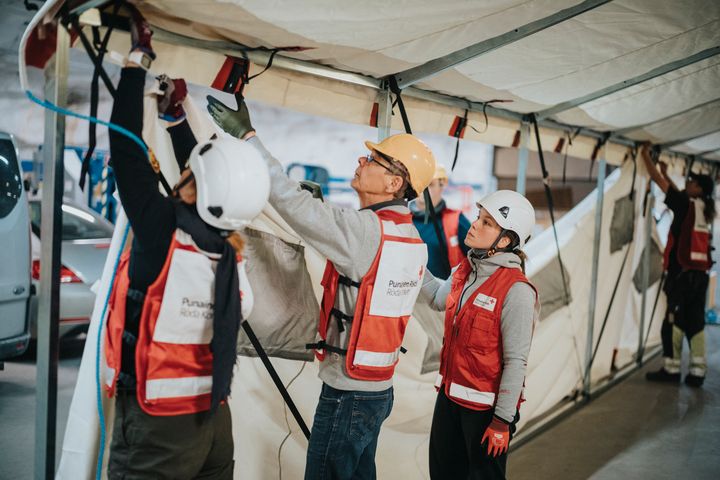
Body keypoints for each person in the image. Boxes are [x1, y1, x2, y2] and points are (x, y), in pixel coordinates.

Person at [208, 94, 436, 479]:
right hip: (378, 392)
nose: (361, 161)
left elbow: (286, 198)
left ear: (395, 182)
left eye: (373, 160)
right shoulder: (408, 236)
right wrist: (325, 211)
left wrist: (247, 137)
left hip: (347, 396)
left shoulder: (364, 231)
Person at [103, 7, 270, 479]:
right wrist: (176, 121)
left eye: (190, 175)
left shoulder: (163, 232)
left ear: (193, 187)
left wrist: (136, 61)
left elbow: (124, 148)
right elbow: (209, 180)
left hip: (161, 423)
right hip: (215, 419)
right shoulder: (230, 253)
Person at [419, 190, 538, 479]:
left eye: (487, 222)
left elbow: (516, 362)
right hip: (449, 400)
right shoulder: (466, 269)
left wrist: (501, 421)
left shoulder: (517, 291)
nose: (475, 225)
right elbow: (437, 298)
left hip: (486, 413)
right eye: (478, 218)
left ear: (506, 240)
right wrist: (412, 260)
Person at [642, 144, 715, 388]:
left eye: (692, 182)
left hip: (681, 278)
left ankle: (671, 369)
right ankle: (697, 372)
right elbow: (676, 195)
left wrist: (646, 156)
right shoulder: (702, 208)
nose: (688, 183)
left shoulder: (687, 206)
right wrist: (665, 172)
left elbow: (662, 186)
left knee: (673, 322)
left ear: (699, 188)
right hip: (699, 276)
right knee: (696, 323)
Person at [411, 164, 471, 279]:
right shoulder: (404, 220)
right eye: (420, 184)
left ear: (442, 185)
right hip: (408, 292)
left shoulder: (456, 221)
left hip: (444, 293)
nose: (424, 190)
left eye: (430, 185)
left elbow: (478, 258)